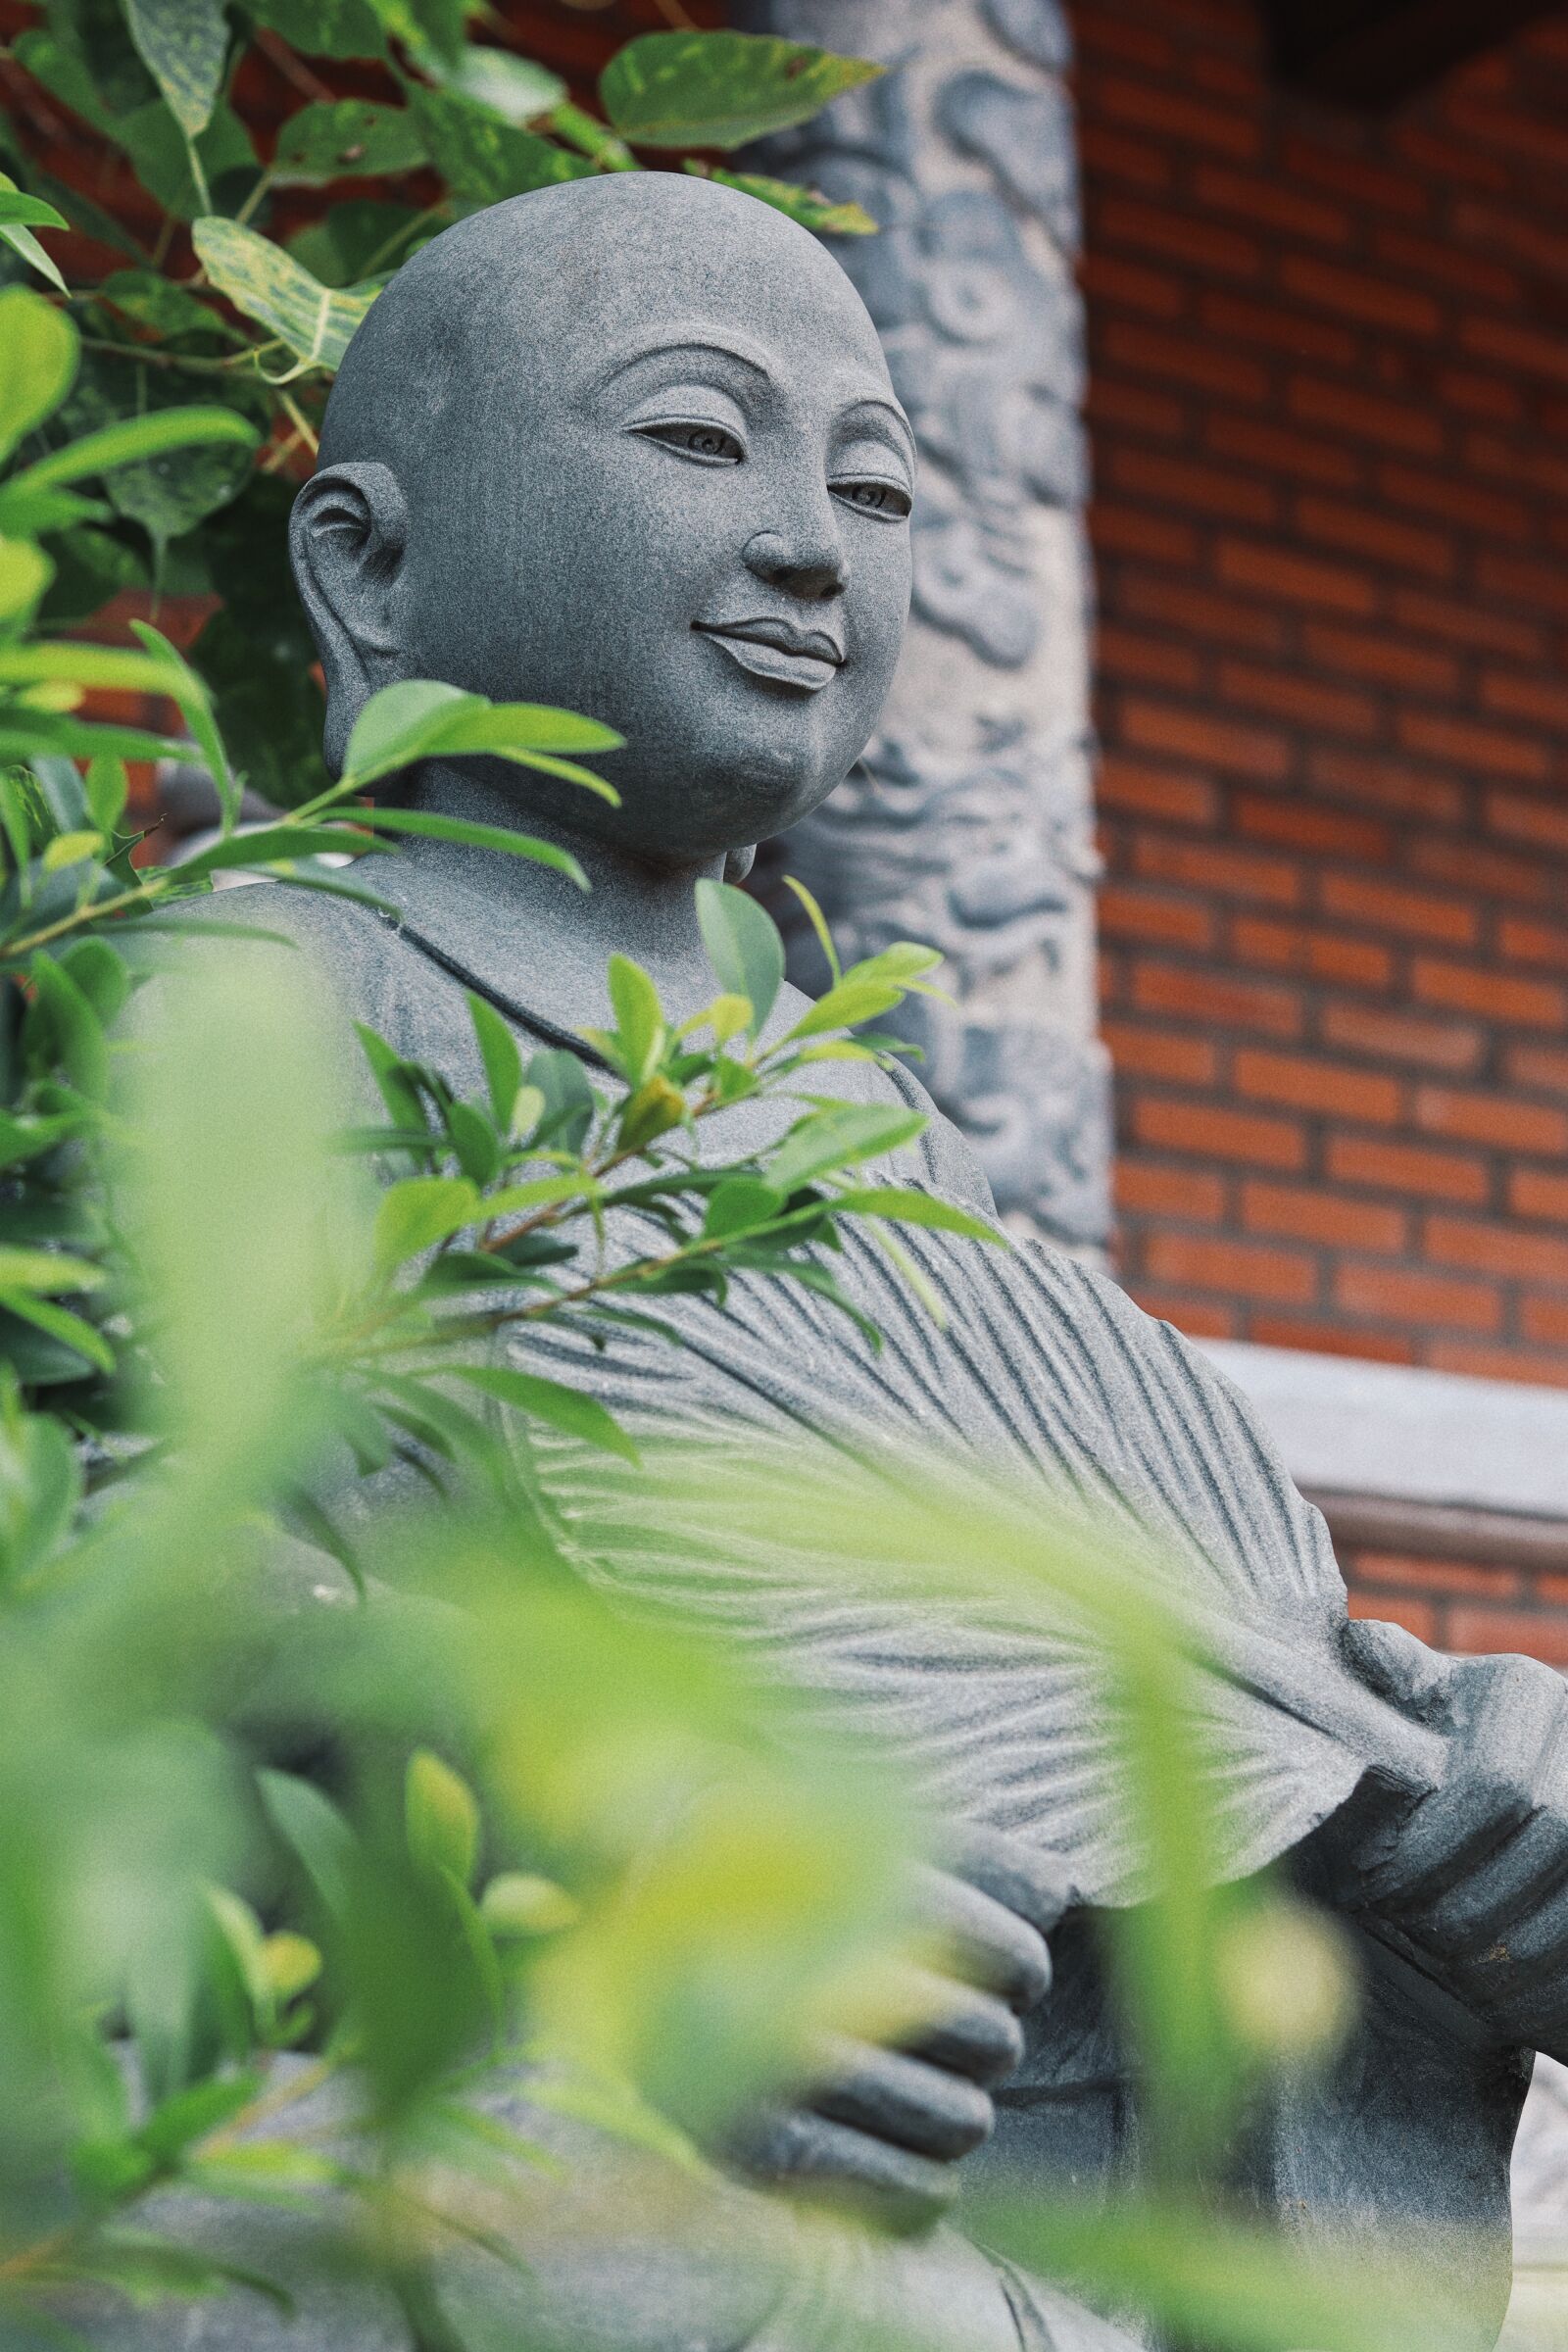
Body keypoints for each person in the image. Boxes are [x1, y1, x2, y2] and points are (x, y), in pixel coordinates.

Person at [161, 171, 1568, 2347]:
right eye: (698, 438)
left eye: (878, 480)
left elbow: (1154, 1704)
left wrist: (1458, 1825)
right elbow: (167, 1635)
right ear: (366, 561)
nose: (817, 544)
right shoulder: (240, 1004)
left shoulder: (863, 1137)